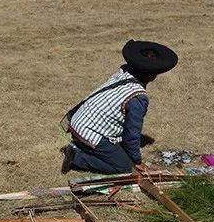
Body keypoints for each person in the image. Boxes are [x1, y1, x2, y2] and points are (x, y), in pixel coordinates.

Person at [62, 40, 178, 174]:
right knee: (124, 168)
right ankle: (77, 157)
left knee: (120, 154)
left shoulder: (124, 71)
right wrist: (136, 161)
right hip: (88, 131)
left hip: (79, 119)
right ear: (153, 75)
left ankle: (82, 147)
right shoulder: (138, 98)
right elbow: (132, 134)